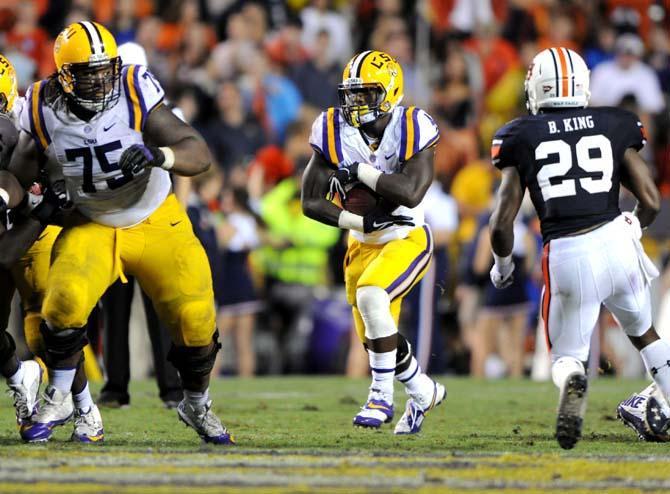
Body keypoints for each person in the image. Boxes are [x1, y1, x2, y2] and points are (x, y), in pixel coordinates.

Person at [9, 22, 233, 445]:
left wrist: (157, 154)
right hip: (91, 221)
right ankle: (58, 395)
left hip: (154, 217)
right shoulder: (41, 104)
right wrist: (35, 193)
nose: (99, 79)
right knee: (61, 303)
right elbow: (22, 170)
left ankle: (197, 403)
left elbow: (197, 151)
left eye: (104, 69)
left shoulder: (133, 88)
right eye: (86, 72)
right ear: (63, 74)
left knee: (197, 321)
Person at [488, 47, 667, 449]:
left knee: (566, 355)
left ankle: (573, 380)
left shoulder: (519, 134)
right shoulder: (615, 122)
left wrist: (502, 266)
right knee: (646, 335)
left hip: (568, 251)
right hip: (617, 240)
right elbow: (652, 201)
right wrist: (632, 228)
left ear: (537, 86)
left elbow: (502, 221)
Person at [301, 50, 446, 435]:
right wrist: (359, 219)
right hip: (361, 241)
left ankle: (381, 395)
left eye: (365, 94)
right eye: (351, 94)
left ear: (391, 91)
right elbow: (309, 201)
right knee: (376, 339)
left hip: (406, 236)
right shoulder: (332, 128)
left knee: (371, 297)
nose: (355, 103)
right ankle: (423, 390)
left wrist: (360, 171)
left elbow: (411, 192)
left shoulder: (412, 124)